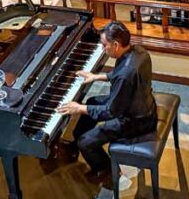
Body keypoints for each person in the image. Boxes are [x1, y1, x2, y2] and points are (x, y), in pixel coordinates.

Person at [58, 21, 157, 174]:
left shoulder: (125, 75)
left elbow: (111, 112)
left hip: (136, 121)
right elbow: (120, 73)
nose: (102, 49)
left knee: (85, 142)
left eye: (104, 45)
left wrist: (78, 108)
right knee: (92, 101)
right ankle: (74, 144)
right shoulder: (139, 51)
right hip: (142, 105)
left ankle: (106, 171)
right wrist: (96, 77)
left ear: (116, 45)